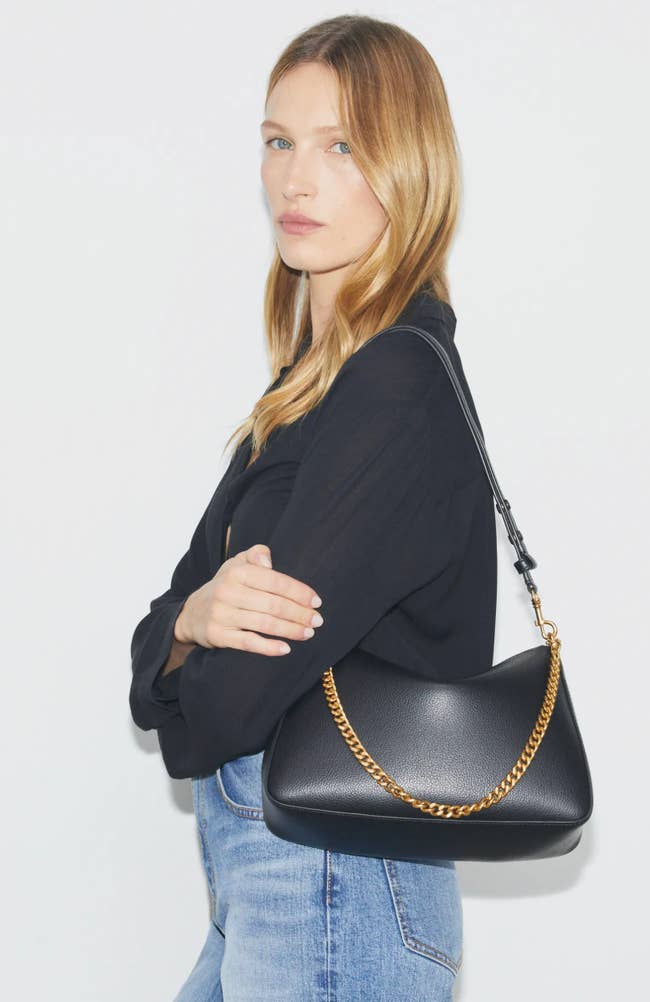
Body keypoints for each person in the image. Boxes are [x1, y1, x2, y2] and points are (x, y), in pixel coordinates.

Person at [129, 14, 497, 1001]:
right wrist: (191, 624)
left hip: (333, 880)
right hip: (279, 882)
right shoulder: (306, 389)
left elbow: (230, 704)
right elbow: (165, 636)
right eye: (278, 140)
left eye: (341, 147)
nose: (295, 180)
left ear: (409, 166)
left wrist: (183, 656)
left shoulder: (396, 386)